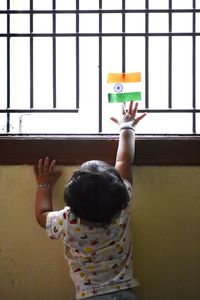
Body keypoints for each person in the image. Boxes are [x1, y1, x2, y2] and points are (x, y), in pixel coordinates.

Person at [33, 101, 146, 300]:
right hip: (125, 294)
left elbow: (41, 216)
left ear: (71, 200)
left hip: (88, 296)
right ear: (119, 190)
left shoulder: (67, 220)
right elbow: (124, 161)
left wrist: (44, 184)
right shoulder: (123, 204)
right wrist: (126, 126)